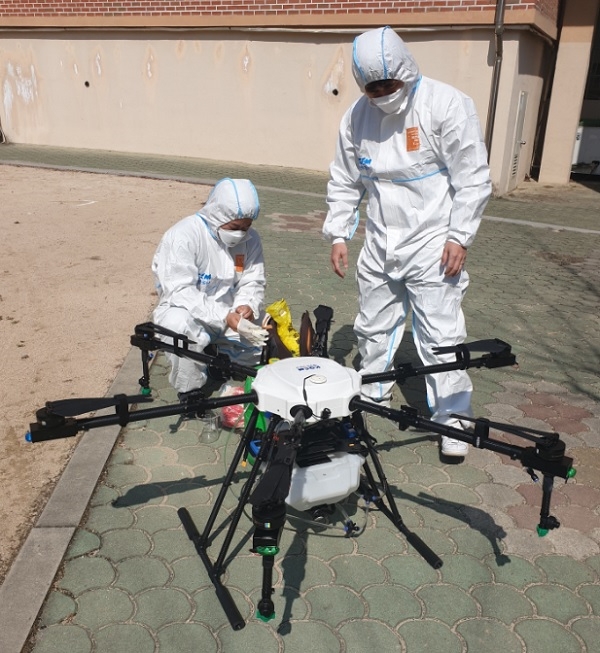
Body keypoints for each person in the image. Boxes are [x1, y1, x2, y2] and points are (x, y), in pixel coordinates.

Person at [323, 27, 492, 457]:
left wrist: (460, 235)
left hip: (433, 242)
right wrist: (339, 233)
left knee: (440, 335)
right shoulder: (357, 117)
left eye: (389, 84)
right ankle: (372, 393)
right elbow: (345, 179)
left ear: (406, 71)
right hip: (381, 238)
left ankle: (453, 419)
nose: (382, 94)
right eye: (373, 87)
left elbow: (472, 176)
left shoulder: (446, 104)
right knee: (373, 324)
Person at [152, 178, 268, 409]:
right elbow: (180, 290)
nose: (241, 234)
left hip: (231, 315)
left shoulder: (251, 240)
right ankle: (190, 391)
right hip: (188, 313)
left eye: (246, 227)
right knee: (178, 328)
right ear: (217, 215)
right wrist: (223, 315)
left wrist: (247, 305)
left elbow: (253, 280)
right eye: (234, 228)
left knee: (264, 340)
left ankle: (217, 359)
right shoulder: (183, 236)